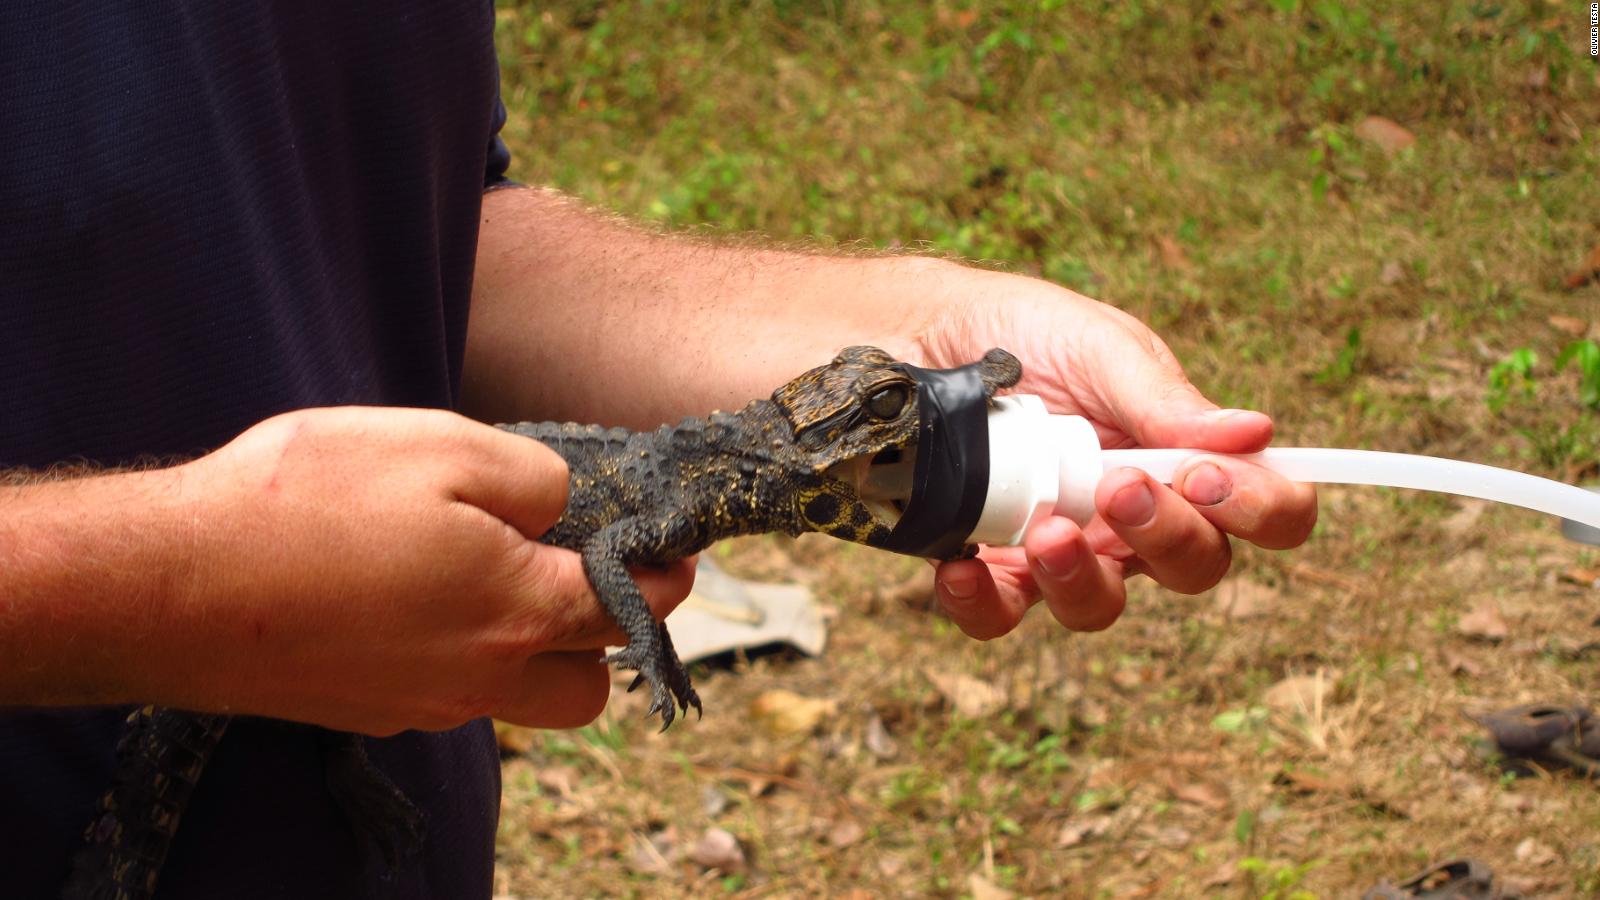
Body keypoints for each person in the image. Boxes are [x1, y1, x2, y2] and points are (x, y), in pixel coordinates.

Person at [0, 3, 1317, 897]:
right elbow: (622, 554)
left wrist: (932, 337)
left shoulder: (765, 465)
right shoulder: (723, 485)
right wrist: (175, 590)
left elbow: (395, 236)